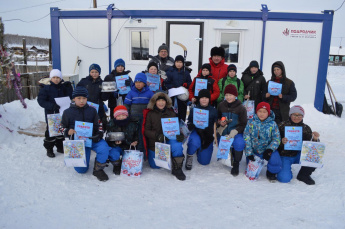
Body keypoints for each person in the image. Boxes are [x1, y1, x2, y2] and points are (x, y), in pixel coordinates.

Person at [61, 86, 112, 182]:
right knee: (81, 170)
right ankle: (83, 161)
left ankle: (98, 169)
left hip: (91, 139)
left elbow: (99, 124)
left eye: (84, 98)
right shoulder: (67, 112)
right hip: (78, 143)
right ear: (74, 98)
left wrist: (99, 133)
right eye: (79, 98)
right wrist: (67, 131)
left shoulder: (92, 110)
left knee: (104, 148)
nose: (81, 101)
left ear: (87, 99)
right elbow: (61, 127)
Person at [143, 92, 186, 181]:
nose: (161, 103)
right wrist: (157, 135)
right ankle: (168, 155)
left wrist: (180, 135)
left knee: (177, 145)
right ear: (155, 102)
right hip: (156, 142)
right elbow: (146, 131)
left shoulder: (171, 113)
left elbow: (177, 129)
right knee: (155, 166)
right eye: (159, 100)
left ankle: (177, 168)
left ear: (166, 102)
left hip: (170, 139)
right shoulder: (150, 114)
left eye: (163, 100)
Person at [276, 105, 320, 185]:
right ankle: (286, 170)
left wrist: (315, 139)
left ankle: (304, 175)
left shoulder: (306, 128)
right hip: (285, 156)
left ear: (303, 116)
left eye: (299, 115)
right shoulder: (282, 126)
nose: (297, 117)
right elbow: (274, 141)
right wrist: (281, 142)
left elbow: (311, 147)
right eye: (294, 115)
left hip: (300, 154)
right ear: (290, 115)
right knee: (284, 178)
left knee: (314, 156)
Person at [37, 69, 73, 158]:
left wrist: (69, 88)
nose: (56, 79)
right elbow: (41, 101)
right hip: (51, 114)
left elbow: (70, 97)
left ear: (60, 78)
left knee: (61, 131)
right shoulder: (46, 88)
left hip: (62, 113)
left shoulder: (63, 87)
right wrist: (51, 106)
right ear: (51, 78)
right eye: (54, 77)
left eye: (58, 77)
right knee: (51, 133)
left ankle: (60, 147)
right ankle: (49, 149)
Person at [243, 102, 282, 181]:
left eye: (264, 112)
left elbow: (276, 138)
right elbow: (246, 137)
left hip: (267, 150)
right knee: (251, 166)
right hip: (254, 150)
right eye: (260, 111)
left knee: (275, 161)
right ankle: (251, 161)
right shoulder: (251, 122)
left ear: (268, 112)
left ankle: (271, 172)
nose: (262, 114)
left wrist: (270, 149)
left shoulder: (273, 124)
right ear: (256, 112)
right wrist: (249, 152)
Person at [217, 84, 247, 176]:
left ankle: (236, 163)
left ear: (235, 95)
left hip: (236, 132)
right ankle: (227, 157)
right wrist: (220, 123)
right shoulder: (221, 105)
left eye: (231, 95)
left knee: (239, 143)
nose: (228, 97)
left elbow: (243, 124)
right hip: (224, 131)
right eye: (226, 95)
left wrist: (236, 131)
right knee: (222, 143)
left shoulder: (241, 108)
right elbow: (217, 118)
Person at [186, 89, 218, 169]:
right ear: (199, 99)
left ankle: (200, 150)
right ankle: (190, 155)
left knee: (204, 162)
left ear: (209, 99)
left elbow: (216, 124)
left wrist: (212, 129)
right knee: (194, 142)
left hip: (207, 135)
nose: (204, 99)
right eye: (202, 97)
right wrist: (190, 125)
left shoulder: (213, 110)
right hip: (196, 132)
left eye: (206, 98)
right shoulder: (194, 109)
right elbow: (189, 121)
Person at [124, 73, 154, 154]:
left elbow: (153, 104)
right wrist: (127, 115)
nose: (138, 84)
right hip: (133, 118)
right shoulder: (131, 92)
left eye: (140, 82)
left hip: (145, 119)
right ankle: (133, 151)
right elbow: (126, 105)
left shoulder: (149, 93)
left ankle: (142, 150)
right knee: (133, 135)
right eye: (136, 82)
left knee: (142, 135)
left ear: (144, 83)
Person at [106, 105, 139, 175]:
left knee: (130, 158)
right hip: (116, 147)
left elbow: (137, 135)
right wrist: (114, 143)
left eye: (123, 115)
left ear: (127, 115)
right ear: (115, 116)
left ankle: (126, 164)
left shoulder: (133, 124)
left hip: (129, 146)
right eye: (118, 115)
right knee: (113, 153)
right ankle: (117, 165)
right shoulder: (111, 124)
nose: (121, 117)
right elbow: (107, 139)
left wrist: (135, 141)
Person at [77, 64, 107, 129]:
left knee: (98, 126)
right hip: (85, 108)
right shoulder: (84, 81)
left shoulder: (102, 83)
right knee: (86, 125)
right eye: (92, 72)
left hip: (98, 109)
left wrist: (106, 91)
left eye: (96, 72)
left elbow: (104, 98)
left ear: (99, 73)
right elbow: (78, 92)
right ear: (89, 72)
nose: (94, 74)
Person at [165, 55, 192, 122]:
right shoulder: (169, 72)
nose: (179, 64)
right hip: (172, 97)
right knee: (173, 113)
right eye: (177, 62)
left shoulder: (186, 72)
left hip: (182, 98)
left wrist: (186, 85)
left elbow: (190, 83)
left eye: (180, 62)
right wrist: (172, 87)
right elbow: (166, 83)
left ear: (183, 63)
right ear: (175, 62)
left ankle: (181, 128)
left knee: (182, 114)